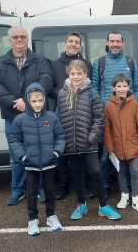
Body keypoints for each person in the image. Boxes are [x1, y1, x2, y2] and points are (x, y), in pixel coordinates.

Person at [0, 26, 53, 206]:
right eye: (15, 37)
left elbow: (46, 80)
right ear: (9, 40)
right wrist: (12, 101)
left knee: (38, 153)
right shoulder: (0, 62)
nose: (19, 40)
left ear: (27, 39)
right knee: (16, 157)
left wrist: (28, 100)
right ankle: (17, 189)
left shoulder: (39, 60)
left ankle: (40, 188)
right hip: (12, 117)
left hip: (36, 117)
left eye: (22, 37)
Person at [55, 60, 121, 220]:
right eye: (73, 73)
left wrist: (91, 137)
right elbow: (58, 116)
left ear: (85, 74)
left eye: (79, 73)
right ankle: (81, 204)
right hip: (71, 143)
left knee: (96, 172)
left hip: (88, 142)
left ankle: (103, 205)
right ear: (68, 74)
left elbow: (99, 118)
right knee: (77, 174)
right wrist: (62, 138)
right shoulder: (62, 93)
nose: (76, 76)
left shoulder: (92, 92)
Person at [9, 82, 65, 236]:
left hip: (49, 163)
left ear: (44, 100)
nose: (38, 104)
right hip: (30, 164)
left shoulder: (52, 117)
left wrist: (55, 153)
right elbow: (14, 139)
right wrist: (23, 156)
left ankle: (51, 216)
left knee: (49, 191)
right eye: (34, 101)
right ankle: (32, 219)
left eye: (40, 100)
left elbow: (60, 136)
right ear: (28, 101)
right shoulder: (20, 120)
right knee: (32, 192)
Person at [91, 31, 138, 199]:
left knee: (128, 148)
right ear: (107, 42)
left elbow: (137, 87)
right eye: (111, 41)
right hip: (108, 113)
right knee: (107, 152)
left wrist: (133, 106)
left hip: (128, 112)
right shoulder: (99, 63)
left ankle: (128, 184)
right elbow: (95, 90)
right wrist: (101, 109)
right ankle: (105, 184)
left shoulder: (131, 62)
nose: (114, 44)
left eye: (117, 41)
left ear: (123, 42)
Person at [49, 32, 95, 201]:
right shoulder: (54, 65)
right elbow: (50, 89)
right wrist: (64, 93)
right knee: (62, 153)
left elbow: (91, 87)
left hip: (82, 113)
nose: (73, 44)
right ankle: (64, 186)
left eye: (77, 42)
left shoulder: (87, 64)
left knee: (81, 153)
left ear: (80, 46)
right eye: (71, 41)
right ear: (64, 44)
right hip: (63, 111)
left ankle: (83, 186)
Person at [104, 74, 138, 213]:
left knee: (135, 172)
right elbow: (106, 129)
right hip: (117, 146)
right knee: (121, 172)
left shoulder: (135, 103)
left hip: (133, 144)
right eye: (119, 86)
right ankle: (124, 195)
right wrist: (110, 147)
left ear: (128, 87)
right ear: (113, 87)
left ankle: (136, 197)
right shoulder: (109, 105)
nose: (122, 89)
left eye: (124, 86)